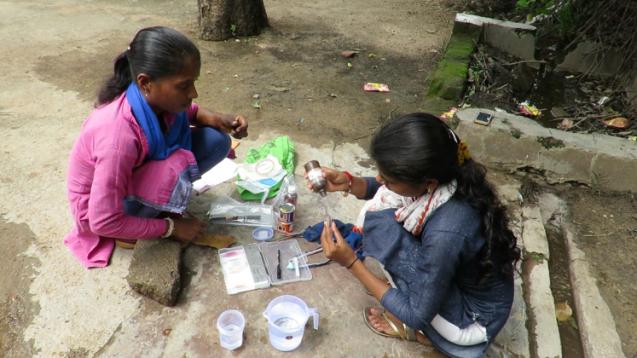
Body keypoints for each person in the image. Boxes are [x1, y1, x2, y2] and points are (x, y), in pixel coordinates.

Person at [312, 113, 520, 358]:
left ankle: (425, 334)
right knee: (387, 213)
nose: (379, 180)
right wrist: (348, 182)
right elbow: (396, 189)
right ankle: (401, 291)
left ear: (429, 182)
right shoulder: (448, 174)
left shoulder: (447, 230)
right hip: (468, 283)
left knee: (383, 229)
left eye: (387, 179)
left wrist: (351, 262)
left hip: (471, 323)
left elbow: (416, 314)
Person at [65, 26, 248, 268]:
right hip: (104, 211)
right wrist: (172, 228)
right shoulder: (117, 137)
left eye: (193, 83)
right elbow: (102, 221)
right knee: (177, 164)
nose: (193, 92)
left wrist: (219, 119)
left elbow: (192, 111)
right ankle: (130, 230)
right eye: (184, 86)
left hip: (130, 179)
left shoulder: (152, 101)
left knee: (217, 141)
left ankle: (155, 207)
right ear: (146, 82)